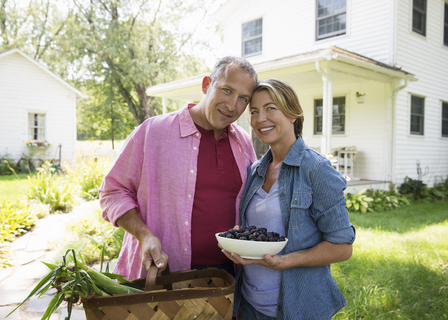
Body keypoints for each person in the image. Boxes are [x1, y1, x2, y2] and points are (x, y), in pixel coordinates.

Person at [99, 56, 258, 281]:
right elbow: (112, 192)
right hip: (165, 275)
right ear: (206, 85)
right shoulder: (153, 132)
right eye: (226, 90)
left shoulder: (243, 142)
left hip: (228, 276)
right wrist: (145, 236)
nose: (232, 106)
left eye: (243, 98)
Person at [222, 78, 356, 320]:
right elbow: (260, 231)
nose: (260, 118)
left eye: (270, 108)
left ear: (293, 113)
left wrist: (284, 262)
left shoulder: (316, 170)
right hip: (249, 304)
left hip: (295, 308)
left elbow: (343, 248)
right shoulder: (255, 171)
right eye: (254, 111)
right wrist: (239, 238)